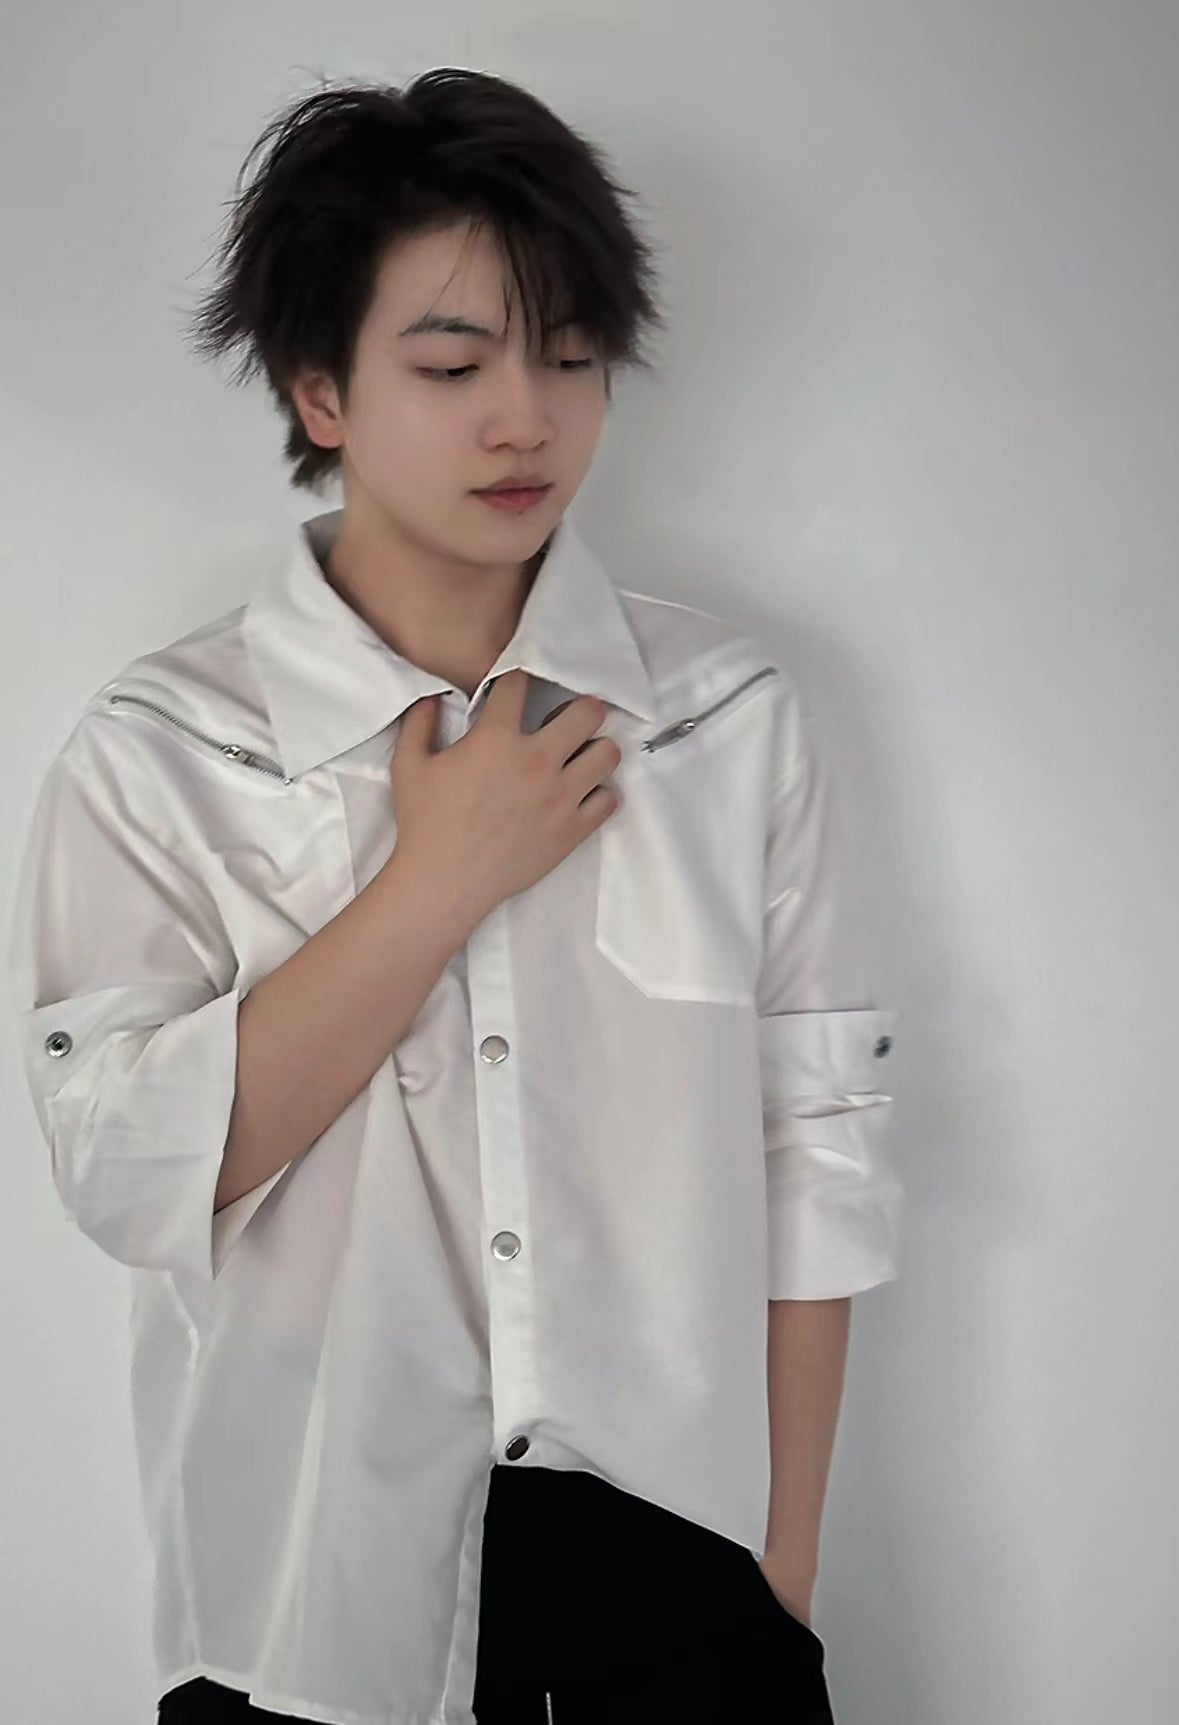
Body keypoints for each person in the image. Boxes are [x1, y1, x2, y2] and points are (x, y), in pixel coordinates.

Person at [5, 68, 902, 1724]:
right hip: (304, 1610)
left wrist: (779, 1579)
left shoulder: (723, 722)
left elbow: (816, 1146)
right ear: (320, 389)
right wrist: (440, 879)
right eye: (452, 363)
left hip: (686, 1583)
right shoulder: (164, 753)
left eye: (571, 355)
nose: (526, 419)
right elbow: (130, 1176)